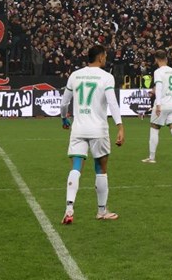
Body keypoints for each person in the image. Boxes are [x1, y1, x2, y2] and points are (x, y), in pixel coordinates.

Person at [60, 44, 125, 225]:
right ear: (101, 57)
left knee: (76, 167)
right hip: (98, 130)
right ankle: (102, 211)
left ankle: (69, 208)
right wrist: (120, 126)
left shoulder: (75, 75)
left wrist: (64, 119)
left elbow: (64, 103)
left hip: (79, 129)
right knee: (100, 169)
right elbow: (112, 103)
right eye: (105, 56)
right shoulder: (106, 77)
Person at [142, 50, 172, 164]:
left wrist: (158, 104)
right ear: (166, 59)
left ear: (156, 59)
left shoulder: (158, 72)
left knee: (154, 129)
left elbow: (159, 88)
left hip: (162, 104)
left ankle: (152, 157)